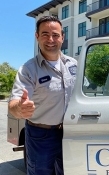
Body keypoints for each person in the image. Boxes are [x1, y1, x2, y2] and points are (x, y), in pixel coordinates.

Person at [8, 15, 77, 175]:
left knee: (70, 171)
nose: (51, 39)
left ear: (62, 37)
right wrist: (20, 108)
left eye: (55, 35)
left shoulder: (74, 65)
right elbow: (15, 103)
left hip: (70, 132)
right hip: (40, 135)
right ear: (37, 36)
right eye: (45, 34)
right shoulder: (28, 69)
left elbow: (87, 90)